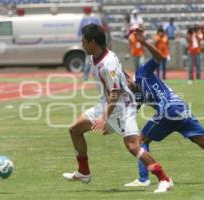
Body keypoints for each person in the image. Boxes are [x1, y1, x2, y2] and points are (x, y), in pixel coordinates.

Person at [123, 28, 204, 187]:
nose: (127, 88)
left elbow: (159, 56)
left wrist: (143, 42)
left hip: (170, 108)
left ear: (127, 77)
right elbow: (130, 113)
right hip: (180, 108)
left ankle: (144, 179)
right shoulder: (136, 94)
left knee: (141, 141)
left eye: (125, 84)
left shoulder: (141, 73)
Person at [62, 24, 173, 193]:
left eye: (83, 41)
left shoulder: (108, 63)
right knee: (75, 129)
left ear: (93, 42)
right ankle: (84, 172)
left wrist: (105, 117)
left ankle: (164, 179)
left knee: (134, 147)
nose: (82, 44)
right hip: (106, 104)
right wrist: (127, 80)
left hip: (121, 107)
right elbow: (121, 76)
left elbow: (115, 92)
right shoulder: (97, 56)